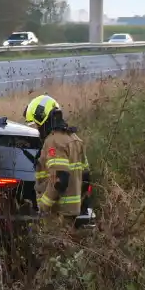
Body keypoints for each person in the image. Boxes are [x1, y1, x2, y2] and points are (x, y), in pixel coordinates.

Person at [24, 94, 95, 228]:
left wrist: (43, 207)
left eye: (37, 124)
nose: (38, 129)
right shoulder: (74, 138)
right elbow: (86, 177)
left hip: (57, 214)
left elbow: (60, 179)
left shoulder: (53, 141)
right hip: (75, 213)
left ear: (43, 120)